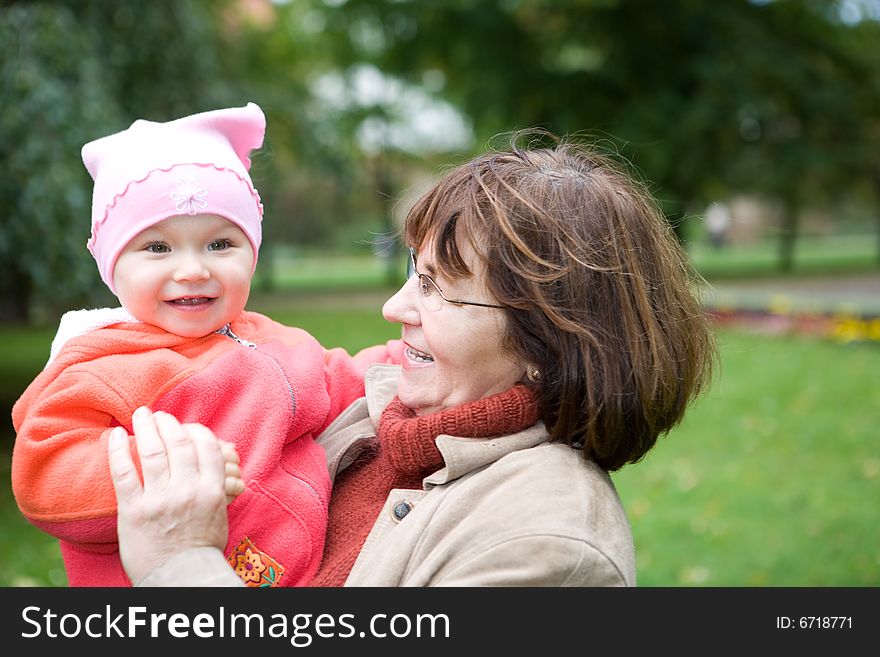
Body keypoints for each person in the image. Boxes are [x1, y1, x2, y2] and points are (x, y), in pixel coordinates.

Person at [110, 129, 718, 587]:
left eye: (437, 286)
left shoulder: (548, 545)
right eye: (413, 272)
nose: (394, 307)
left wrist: (182, 565)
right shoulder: (365, 418)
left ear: (548, 344)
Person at [11, 103, 397, 587]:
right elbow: (46, 472)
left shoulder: (273, 341)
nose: (193, 269)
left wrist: (399, 359)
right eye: (157, 248)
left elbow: (337, 377)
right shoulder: (101, 364)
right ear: (110, 264)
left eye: (220, 244)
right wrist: (164, 470)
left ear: (252, 251)